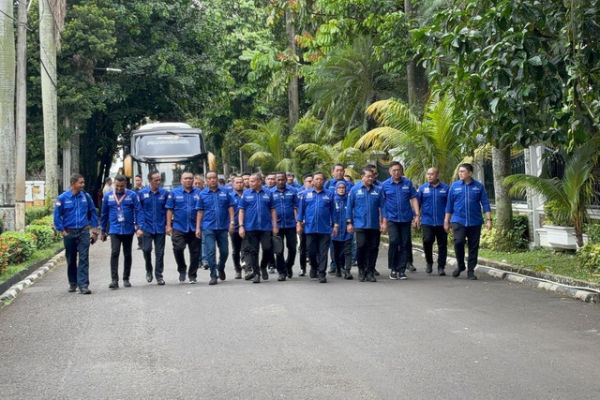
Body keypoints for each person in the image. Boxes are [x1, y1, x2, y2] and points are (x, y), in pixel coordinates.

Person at [444, 163, 492, 280]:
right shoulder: (454, 187)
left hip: (475, 221)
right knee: (458, 242)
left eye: (463, 171)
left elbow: (485, 203)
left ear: (470, 173)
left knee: (473, 246)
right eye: (459, 171)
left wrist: (489, 220)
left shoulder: (479, 187)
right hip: (458, 220)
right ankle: (461, 265)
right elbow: (449, 205)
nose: (460, 173)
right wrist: (446, 221)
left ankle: (471, 270)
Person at [53, 173, 99, 294]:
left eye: (83, 182)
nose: (83, 185)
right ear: (73, 184)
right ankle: (73, 282)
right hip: (69, 232)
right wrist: (62, 231)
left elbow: (93, 213)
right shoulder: (62, 198)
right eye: (81, 183)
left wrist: (95, 231)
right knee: (71, 258)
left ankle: (83, 285)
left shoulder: (86, 197)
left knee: (84, 258)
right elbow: (57, 216)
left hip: (83, 231)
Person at [100, 175, 142, 289]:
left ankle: (126, 278)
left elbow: (138, 211)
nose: (119, 188)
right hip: (114, 229)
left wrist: (139, 227)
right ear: (114, 184)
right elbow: (104, 214)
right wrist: (102, 231)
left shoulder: (132, 195)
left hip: (128, 229)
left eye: (122, 186)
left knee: (127, 254)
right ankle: (114, 280)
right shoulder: (108, 196)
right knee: (115, 252)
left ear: (126, 185)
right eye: (117, 186)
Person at [346, 167, 386, 282]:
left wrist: (384, 222)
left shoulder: (378, 190)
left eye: (372, 176)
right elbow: (349, 207)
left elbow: (383, 207)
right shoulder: (354, 190)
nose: (370, 178)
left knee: (373, 248)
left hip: (374, 225)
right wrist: (349, 223)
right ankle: (361, 270)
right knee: (361, 246)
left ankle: (370, 271)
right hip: (360, 224)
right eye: (368, 176)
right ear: (362, 177)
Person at [382, 161, 420, 280]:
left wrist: (417, 215)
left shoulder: (407, 183)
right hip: (391, 218)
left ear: (402, 171)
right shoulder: (384, 185)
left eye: (398, 170)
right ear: (390, 171)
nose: (396, 172)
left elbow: (413, 198)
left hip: (405, 218)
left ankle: (402, 269)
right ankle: (393, 268)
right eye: (394, 170)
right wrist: (383, 221)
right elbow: (381, 203)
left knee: (404, 243)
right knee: (394, 241)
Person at [196, 171, 235, 285]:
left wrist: (232, 222)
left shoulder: (225, 191)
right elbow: (200, 211)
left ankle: (220, 267)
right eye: (210, 178)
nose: (212, 180)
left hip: (222, 227)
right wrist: (198, 228)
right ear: (206, 181)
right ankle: (213, 275)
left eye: (214, 178)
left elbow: (230, 207)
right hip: (208, 227)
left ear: (217, 179)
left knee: (224, 251)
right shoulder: (203, 194)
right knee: (210, 252)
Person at [238, 173, 278, 283]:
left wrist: (275, 225)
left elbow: (273, 210)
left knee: (267, 248)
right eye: (249, 181)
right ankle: (256, 274)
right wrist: (241, 226)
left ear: (260, 181)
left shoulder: (268, 193)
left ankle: (263, 265)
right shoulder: (246, 194)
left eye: (253, 181)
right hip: (250, 227)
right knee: (253, 251)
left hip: (266, 227)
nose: (250, 183)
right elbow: (241, 211)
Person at [296, 172, 336, 283]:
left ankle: (322, 273)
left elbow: (333, 211)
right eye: (316, 179)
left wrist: (335, 225)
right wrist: (299, 224)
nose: (318, 181)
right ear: (313, 181)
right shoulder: (305, 194)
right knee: (312, 252)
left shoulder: (329, 194)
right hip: (310, 228)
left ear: (324, 181)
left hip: (325, 229)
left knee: (323, 252)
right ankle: (314, 267)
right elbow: (301, 211)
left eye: (321, 179)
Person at [166, 171, 203, 283]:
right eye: (185, 178)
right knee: (178, 248)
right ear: (181, 180)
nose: (188, 180)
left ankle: (192, 274)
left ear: (193, 180)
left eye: (190, 178)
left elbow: (201, 210)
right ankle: (182, 269)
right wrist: (168, 225)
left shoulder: (198, 193)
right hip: (179, 226)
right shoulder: (174, 193)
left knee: (195, 252)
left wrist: (199, 227)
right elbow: (169, 209)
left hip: (194, 227)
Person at [137, 171, 169, 285]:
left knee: (160, 253)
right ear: (150, 180)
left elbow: (167, 210)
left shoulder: (164, 193)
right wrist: (138, 226)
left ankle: (159, 275)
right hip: (147, 227)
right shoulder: (142, 193)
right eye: (156, 180)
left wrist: (168, 225)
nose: (158, 182)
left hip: (160, 227)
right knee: (146, 249)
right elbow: (138, 211)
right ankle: (148, 270)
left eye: (159, 179)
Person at [417, 167, 449, 276]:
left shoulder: (445, 188)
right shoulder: (422, 188)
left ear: (437, 175)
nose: (429, 176)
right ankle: (429, 262)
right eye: (428, 174)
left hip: (442, 221)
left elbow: (449, 205)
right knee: (427, 241)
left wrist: (449, 220)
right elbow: (417, 204)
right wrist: (416, 217)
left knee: (442, 244)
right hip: (427, 221)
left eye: (432, 174)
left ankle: (441, 266)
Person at [271, 171, 298, 281]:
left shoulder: (293, 191)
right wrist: (273, 225)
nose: (281, 181)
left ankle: (289, 265)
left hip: (291, 224)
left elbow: (296, 207)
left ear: (286, 179)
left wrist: (298, 222)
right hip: (277, 225)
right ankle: (281, 272)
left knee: (292, 248)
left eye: (283, 179)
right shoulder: (270, 192)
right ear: (275, 180)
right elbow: (269, 209)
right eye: (278, 179)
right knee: (279, 250)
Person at [332, 181, 353, 279]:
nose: (341, 189)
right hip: (335, 230)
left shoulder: (349, 200)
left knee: (347, 251)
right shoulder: (332, 200)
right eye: (339, 188)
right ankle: (338, 268)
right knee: (337, 252)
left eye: (343, 188)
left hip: (347, 229)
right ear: (336, 189)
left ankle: (348, 270)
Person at [229, 176, 246, 279]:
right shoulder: (229, 196)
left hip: (246, 226)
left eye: (241, 182)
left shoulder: (247, 194)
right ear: (233, 184)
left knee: (247, 247)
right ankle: (237, 269)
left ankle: (247, 267)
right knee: (236, 249)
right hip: (234, 227)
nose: (239, 184)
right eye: (237, 182)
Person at [297, 173, 313, 276]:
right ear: (304, 182)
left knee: (312, 247)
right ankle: (303, 268)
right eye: (309, 181)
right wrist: (299, 222)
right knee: (303, 247)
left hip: (314, 224)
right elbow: (297, 209)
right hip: (304, 224)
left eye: (312, 181)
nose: (311, 183)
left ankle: (314, 266)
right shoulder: (300, 194)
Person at [133, 175, 144, 249]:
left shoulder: (146, 189)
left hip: (144, 211)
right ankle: (140, 244)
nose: (137, 182)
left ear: (141, 180)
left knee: (145, 228)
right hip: (136, 211)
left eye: (139, 180)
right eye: (136, 180)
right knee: (137, 227)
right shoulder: (132, 191)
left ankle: (146, 242)